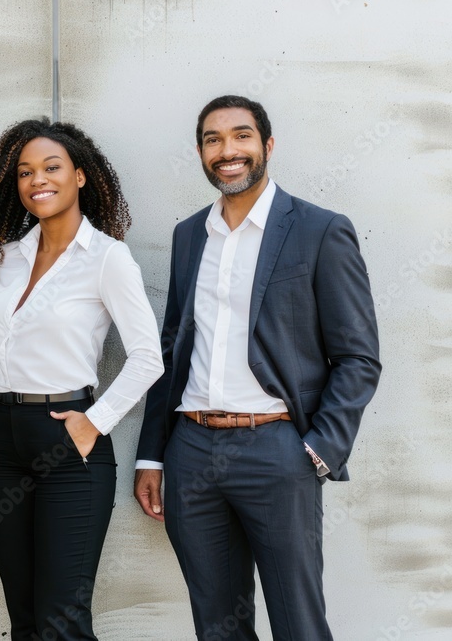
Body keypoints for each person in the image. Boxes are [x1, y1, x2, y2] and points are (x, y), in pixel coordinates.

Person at [134, 95, 382, 640]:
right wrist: (152, 454)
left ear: (267, 145)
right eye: (213, 139)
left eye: (241, 136)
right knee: (217, 627)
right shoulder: (188, 234)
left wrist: (318, 451)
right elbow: (171, 351)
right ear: (201, 152)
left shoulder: (319, 230)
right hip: (192, 450)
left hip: (277, 450)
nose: (228, 151)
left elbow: (359, 355)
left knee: (298, 624)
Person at [0, 118, 163, 640]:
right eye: (25, 172)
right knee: (24, 619)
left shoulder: (107, 259)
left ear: (80, 177)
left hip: (70, 444)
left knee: (61, 623)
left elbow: (147, 357)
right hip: (3, 439)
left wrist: (94, 423)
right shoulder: (6, 256)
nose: (37, 180)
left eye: (51, 168)